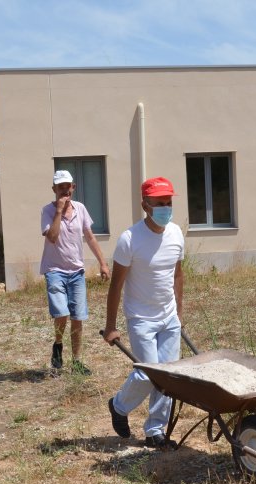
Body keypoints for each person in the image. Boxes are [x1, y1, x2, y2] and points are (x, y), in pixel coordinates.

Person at [102, 176, 184, 449]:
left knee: (169, 376)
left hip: (168, 316)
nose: (165, 208)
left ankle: (155, 431)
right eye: (159, 203)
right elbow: (116, 285)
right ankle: (119, 405)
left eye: (168, 202)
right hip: (141, 318)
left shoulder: (176, 234)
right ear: (145, 205)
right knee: (148, 374)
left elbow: (177, 276)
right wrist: (111, 325)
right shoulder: (130, 239)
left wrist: (178, 315)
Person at [41, 170, 111, 374]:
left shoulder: (80, 208)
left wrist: (103, 263)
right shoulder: (47, 211)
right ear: (54, 189)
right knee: (61, 313)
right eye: (60, 186)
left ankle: (77, 362)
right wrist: (59, 212)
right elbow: (52, 237)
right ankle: (58, 344)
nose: (64, 190)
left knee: (78, 317)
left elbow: (90, 237)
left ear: (73, 187)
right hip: (54, 270)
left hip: (76, 272)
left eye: (67, 186)